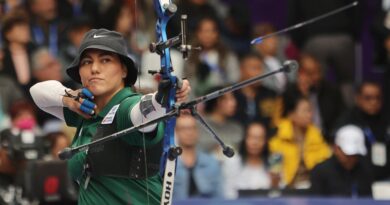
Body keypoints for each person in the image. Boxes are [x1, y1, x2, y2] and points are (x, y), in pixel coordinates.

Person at [29, 29, 191, 205]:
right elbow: (37, 92)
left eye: (105, 60)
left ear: (123, 70)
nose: (95, 69)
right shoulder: (86, 110)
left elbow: (141, 113)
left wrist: (161, 99)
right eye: (87, 62)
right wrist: (68, 99)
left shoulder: (126, 107)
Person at [269, 94, 331, 189]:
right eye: (305, 111)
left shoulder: (317, 136)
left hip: (313, 189)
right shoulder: (278, 141)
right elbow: (275, 170)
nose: (309, 115)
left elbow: (326, 162)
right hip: (288, 189)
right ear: (292, 115)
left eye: (310, 111)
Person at [335, 81, 390, 180]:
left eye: (377, 98)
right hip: (358, 176)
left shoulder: (386, 117)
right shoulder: (347, 120)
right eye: (368, 98)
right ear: (358, 98)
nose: (374, 102)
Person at [310, 125, 374, 197]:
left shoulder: (364, 170)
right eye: (348, 155)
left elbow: (368, 200)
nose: (352, 159)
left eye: (355, 155)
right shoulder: (320, 172)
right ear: (336, 148)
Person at [173, 114, 223, 200]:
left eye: (192, 128)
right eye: (184, 129)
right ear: (176, 132)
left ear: (197, 131)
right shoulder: (168, 164)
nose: (189, 132)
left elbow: (220, 196)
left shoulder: (211, 162)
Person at [223, 122, 277, 199]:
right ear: (245, 139)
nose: (255, 142)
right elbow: (228, 193)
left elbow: (280, 196)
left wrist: (275, 184)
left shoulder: (273, 163)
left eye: (259, 138)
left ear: (265, 141)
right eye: (251, 137)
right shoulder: (233, 162)